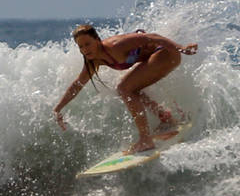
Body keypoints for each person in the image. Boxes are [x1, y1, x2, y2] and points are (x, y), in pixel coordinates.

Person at [54, 25, 198, 154]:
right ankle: (165, 118)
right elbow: (78, 84)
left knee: (124, 89)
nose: (85, 49)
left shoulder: (116, 45)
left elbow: (152, 37)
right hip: (158, 58)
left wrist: (181, 48)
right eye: (81, 47)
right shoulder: (94, 60)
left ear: (97, 40)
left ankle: (145, 139)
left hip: (166, 54)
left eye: (87, 44)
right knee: (130, 89)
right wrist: (58, 108)